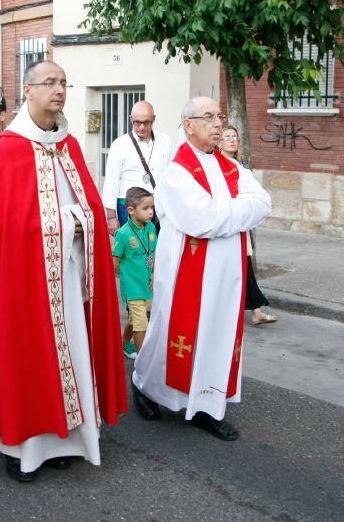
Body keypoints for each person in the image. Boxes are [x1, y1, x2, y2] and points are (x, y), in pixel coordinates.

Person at [0, 60, 127, 482]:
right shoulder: (8, 149)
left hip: (67, 279)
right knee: (24, 358)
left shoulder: (69, 147)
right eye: (49, 82)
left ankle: (65, 437)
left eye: (64, 82)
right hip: (21, 282)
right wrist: (66, 222)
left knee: (69, 354)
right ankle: (21, 446)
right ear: (27, 91)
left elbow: (88, 208)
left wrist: (82, 221)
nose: (59, 89)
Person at [131, 97, 271, 441]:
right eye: (207, 116)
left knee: (217, 334)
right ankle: (146, 386)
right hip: (185, 273)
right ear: (188, 124)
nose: (217, 123)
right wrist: (238, 211)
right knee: (171, 334)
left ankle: (206, 405)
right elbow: (202, 220)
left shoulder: (233, 168)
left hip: (227, 275)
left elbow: (263, 203)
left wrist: (225, 212)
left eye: (219, 116)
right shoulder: (176, 171)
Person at [218, 126, 277, 326]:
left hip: (240, 222)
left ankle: (255, 309)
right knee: (239, 267)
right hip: (230, 223)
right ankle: (254, 310)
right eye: (227, 137)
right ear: (219, 142)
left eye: (235, 136)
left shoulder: (238, 163)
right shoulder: (220, 165)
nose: (232, 140)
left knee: (242, 266)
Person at [101, 101, 173, 233]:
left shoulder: (166, 141)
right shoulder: (119, 144)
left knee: (157, 249)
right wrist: (111, 216)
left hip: (158, 205)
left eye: (147, 122)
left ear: (154, 119)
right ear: (130, 119)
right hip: (129, 207)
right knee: (132, 250)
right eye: (136, 122)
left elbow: (171, 176)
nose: (141, 127)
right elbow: (111, 181)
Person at [112, 187, 156, 360]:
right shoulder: (123, 234)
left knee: (135, 318)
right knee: (140, 321)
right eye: (145, 208)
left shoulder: (151, 227)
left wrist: (154, 274)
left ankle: (122, 343)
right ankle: (143, 361)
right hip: (132, 286)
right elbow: (114, 259)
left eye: (152, 207)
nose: (151, 212)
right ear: (130, 210)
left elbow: (153, 253)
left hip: (146, 283)